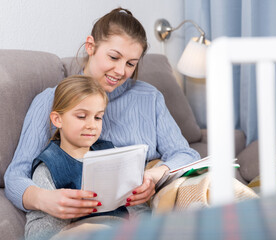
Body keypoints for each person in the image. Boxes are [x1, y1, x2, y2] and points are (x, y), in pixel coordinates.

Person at [4, 7, 200, 221]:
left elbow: (186, 154)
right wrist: (45, 199)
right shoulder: (51, 101)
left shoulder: (149, 97)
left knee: (207, 188)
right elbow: (15, 175)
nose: (120, 71)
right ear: (91, 46)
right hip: (85, 215)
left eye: (130, 64)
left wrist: (154, 176)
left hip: (144, 204)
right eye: (114, 57)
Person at [25, 75, 129, 240]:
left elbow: (135, 208)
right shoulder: (48, 167)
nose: (92, 125)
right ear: (58, 119)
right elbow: (40, 234)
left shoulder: (111, 152)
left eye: (98, 117)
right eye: (81, 116)